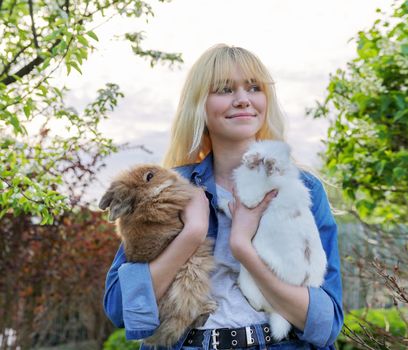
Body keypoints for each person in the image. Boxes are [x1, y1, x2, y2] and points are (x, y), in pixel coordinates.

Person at [103, 44, 343, 350]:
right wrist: (191, 235)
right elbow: (119, 307)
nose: (243, 100)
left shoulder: (301, 187)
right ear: (200, 104)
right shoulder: (167, 187)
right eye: (225, 89)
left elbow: (326, 323)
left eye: (254, 88)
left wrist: (243, 249)